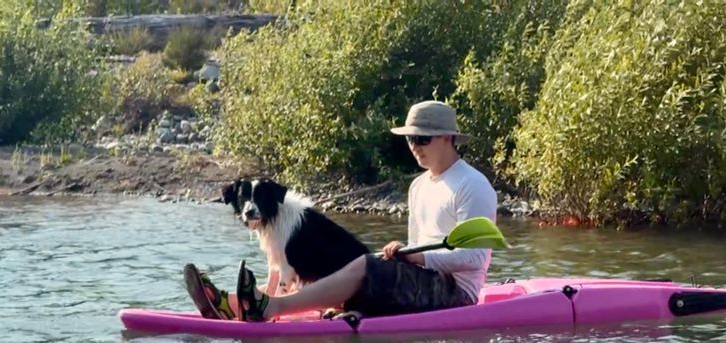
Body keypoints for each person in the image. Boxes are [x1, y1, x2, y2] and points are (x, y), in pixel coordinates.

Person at [186, 100, 498, 322]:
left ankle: (268, 308)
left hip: (456, 293)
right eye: (409, 139)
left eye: (421, 138)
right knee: (364, 267)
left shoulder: (473, 184)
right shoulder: (418, 186)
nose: (413, 146)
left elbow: (475, 257)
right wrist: (406, 257)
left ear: (448, 137)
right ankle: (231, 305)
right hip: (420, 281)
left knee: (364, 265)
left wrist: (415, 257)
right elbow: (416, 249)